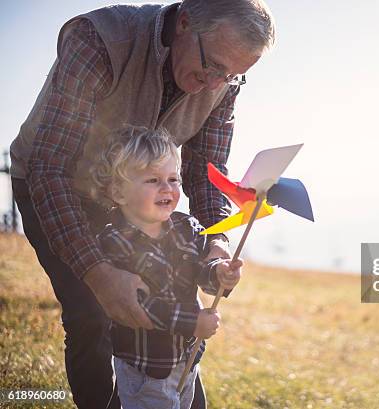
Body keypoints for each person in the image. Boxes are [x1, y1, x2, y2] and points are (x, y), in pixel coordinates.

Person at [9, 1, 275, 408]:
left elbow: (208, 171)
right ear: (185, 22)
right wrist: (98, 274)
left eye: (232, 76)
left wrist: (218, 239)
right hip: (61, 185)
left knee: (170, 303)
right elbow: (51, 168)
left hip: (141, 199)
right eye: (213, 66)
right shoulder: (99, 41)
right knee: (93, 314)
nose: (214, 84)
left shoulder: (223, 81)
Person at [90, 126, 242, 409]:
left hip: (185, 360)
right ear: (119, 191)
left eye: (173, 179)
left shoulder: (187, 228)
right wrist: (192, 323)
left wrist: (221, 273)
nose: (167, 188)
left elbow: (203, 273)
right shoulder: (115, 242)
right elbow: (141, 306)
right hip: (146, 369)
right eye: (153, 179)